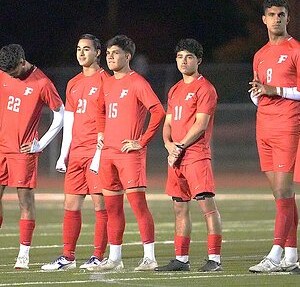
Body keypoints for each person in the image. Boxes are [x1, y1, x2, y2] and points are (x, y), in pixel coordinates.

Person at [87, 35, 165, 271]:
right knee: (112, 209)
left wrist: (141, 141)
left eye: (115, 53)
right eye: (108, 53)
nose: (110, 57)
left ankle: (149, 258)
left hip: (129, 155)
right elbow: (99, 110)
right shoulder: (107, 83)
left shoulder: (137, 82)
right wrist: (101, 133)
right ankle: (115, 259)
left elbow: (158, 112)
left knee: (138, 205)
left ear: (128, 56)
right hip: (108, 153)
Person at [41, 34, 110, 271]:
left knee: (101, 206)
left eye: (87, 49)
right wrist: (63, 154)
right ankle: (68, 257)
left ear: (98, 52)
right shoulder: (73, 83)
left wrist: (101, 153)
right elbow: (69, 122)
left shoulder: (106, 81)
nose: (81, 53)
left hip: (97, 152)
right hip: (77, 153)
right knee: (70, 204)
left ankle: (98, 256)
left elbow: (111, 119)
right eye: (79, 49)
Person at [154, 39, 222, 272]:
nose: (184, 61)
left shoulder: (206, 88)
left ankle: (215, 259)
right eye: (180, 57)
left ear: (199, 60)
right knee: (180, 208)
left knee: (207, 207)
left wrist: (179, 146)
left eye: (189, 57)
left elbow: (201, 124)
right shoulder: (174, 90)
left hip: (196, 155)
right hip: (177, 157)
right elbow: (168, 123)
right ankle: (181, 260)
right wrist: (168, 145)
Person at [248, 0, 300, 273]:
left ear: (287, 18)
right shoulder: (259, 54)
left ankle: (275, 254)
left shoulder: (296, 50)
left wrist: (276, 91)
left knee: (283, 191)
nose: (277, 19)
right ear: (264, 19)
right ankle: (292, 255)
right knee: (282, 196)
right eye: (272, 15)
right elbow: (262, 91)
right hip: (263, 126)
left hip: (287, 127)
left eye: (281, 14)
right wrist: (258, 93)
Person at [0, 44, 64, 269]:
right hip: (1, 147)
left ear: (22, 61)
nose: (9, 76)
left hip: (22, 151)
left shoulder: (42, 83)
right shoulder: (4, 73)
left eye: (13, 72)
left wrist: (41, 144)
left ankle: (23, 255)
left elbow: (60, 115)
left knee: (24, 201)